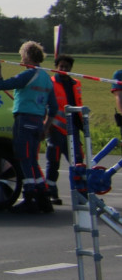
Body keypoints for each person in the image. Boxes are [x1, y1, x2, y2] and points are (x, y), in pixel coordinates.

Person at [0, 41, 58, 214]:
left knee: (24, 158)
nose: (21, 58)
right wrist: (46, 126)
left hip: (24, 120)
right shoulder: (46, 78)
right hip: (37, 122)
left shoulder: (28, 75)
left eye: (22, 54)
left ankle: (30, 197)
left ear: (28, 55)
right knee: (33, 160)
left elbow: (0, 85)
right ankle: (43, 197)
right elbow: (54, 107)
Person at [45, 54, 83, 205]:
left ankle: (80, 193)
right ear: (56, 67)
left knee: (78, 162)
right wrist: (46, 126)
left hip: (73, 128)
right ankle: (51, 192)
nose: (64, 69)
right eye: (61, 66)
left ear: (71, 68)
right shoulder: (51, 83)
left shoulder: (76, 83)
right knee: (53, 161)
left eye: (66, 67)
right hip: (55, 128)